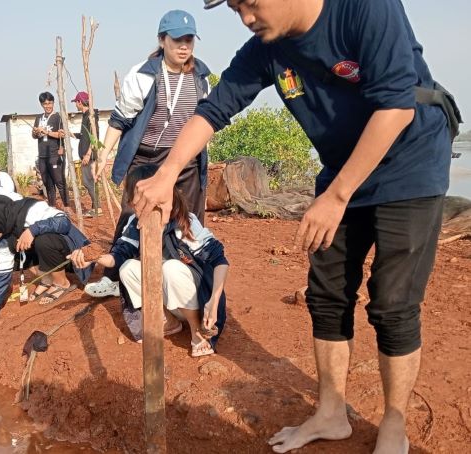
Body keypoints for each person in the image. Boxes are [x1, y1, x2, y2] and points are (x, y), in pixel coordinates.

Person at [134, 0, 454, 452]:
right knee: (326, 295)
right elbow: (214, 109)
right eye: (234, 7)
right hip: (342, 167)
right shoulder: (267, 48)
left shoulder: (365, 8)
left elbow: (396, 107)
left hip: (410, 162)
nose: (245, 16)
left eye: (250, 2)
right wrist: (166, 175)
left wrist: (337, 197)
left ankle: (394, 426)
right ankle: (330, 412)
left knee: (393, 303)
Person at [85, 9, 212, 299]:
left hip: (184, 160)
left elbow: (206, 121)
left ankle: (192, 280)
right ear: (162, 40)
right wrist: (103, 155)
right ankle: (114, 278)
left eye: (189, 40)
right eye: (177, 39)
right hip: (145, 158)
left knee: (188, 219)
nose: (184, 46)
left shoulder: (201, 77)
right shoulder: (143, 75)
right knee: (132, 216)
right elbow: (120, 119)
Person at [71, 164, 229, 355]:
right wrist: (94, 257)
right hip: (167, 298)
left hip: (194, 301)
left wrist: (213, 300)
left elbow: (219, 259)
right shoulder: (134, 224)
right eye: (139, 199)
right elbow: (120, 255)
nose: (145, 203)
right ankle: (168, 320)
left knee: (171, 268)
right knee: (128, 268)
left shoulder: (184, 221)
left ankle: (196, 330)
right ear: (131, 201)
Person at [0, 195, 93, 334]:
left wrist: (33, 230)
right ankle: (47, 280)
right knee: (14, 253)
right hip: (50, 256)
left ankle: (61, 284)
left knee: (43, 240)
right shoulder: (2, 237)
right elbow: (1, 275)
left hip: (71, 253)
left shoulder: (29, 209)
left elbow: (64, 222)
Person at [33, 92, 69, 208]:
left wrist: (46, 132)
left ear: (53, 103)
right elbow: (34, 136)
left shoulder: (58, 117)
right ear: (41, 104)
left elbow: (62, 135)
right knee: (47, 183)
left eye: (50, 103)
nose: (48, 106)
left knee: (59, 181)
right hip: (42, 155)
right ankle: (52, 206)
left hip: (55, 154)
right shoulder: (38, 118)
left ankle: (67, 206)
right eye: (45, 104)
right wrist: (36, 132)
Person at [70, 91, 101, 217]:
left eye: (76, 102)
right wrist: (68, 133)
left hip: (89, 155)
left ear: (79, 102)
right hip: (86, 154)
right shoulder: (85, 116)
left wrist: (88, 154)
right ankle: (96, 207)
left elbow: (94, 137)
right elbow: (84, 136)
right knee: (90, 181)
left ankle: (97, 207)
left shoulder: (91, 117)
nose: (75, 105)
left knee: (88, 181)